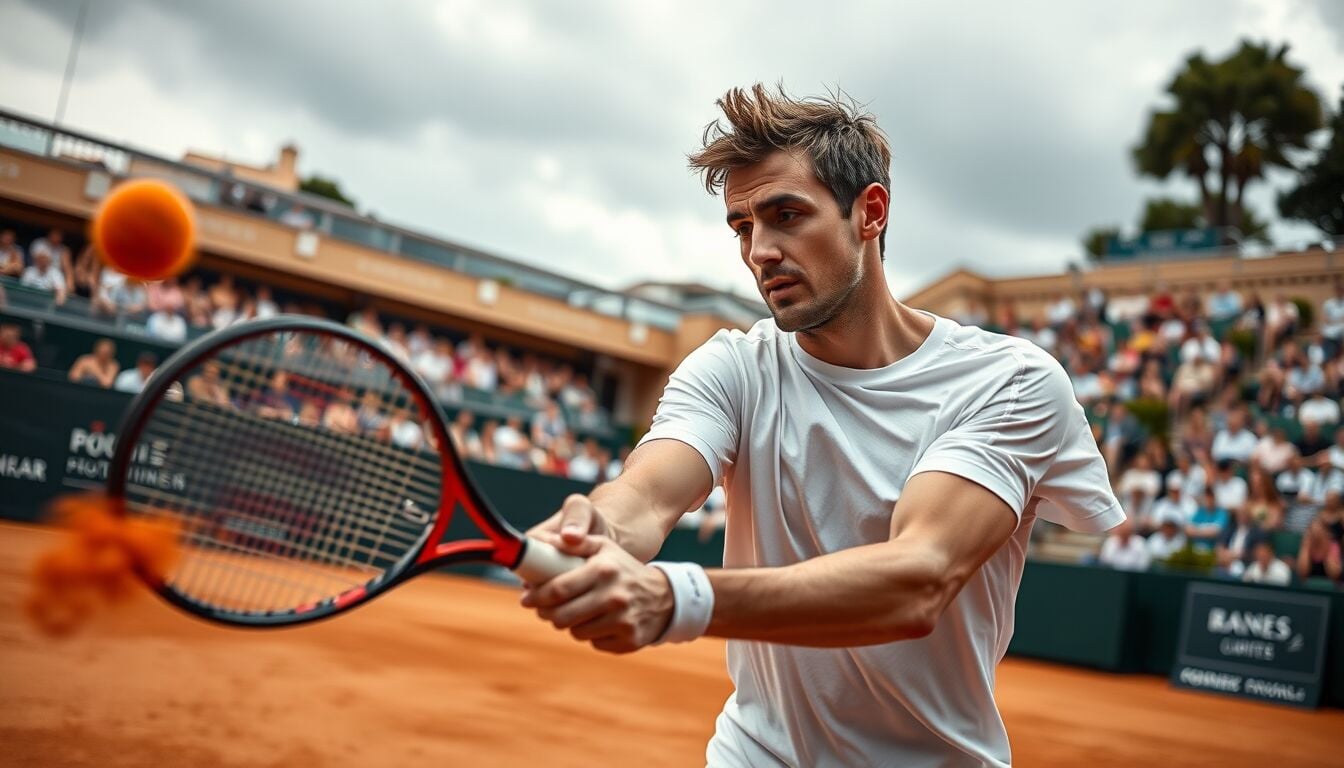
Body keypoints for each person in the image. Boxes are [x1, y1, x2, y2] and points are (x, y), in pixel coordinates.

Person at [518, 86, 1124, 767]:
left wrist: (675, 598)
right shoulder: (731, 366)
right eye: (742, 226)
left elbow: (917, 578)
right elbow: (647, 495)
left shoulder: (1010, 382)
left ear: (871, 212)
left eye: (786, 216)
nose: (760, 250)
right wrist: (596, 529)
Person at [1296, 518, 1342, 583]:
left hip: (1329, 584)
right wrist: (1306, 547)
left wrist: (1326, 549)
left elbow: (1334, 575)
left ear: (1326, 533)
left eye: (1318, 531)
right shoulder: (1307, 545)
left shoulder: (1333, 545)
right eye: (1311, 531)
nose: (1315, 534)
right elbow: (1302, 573)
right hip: (1310, 584)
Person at [28, 229, 73, 293]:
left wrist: (70, 284)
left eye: (59, 235)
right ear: (50, 234)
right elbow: (37, 262)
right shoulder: (40, 243)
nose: (57, 237)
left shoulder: (64, 250)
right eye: (55, 234)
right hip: (38, 273)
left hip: (55, 278)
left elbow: (68, 269)